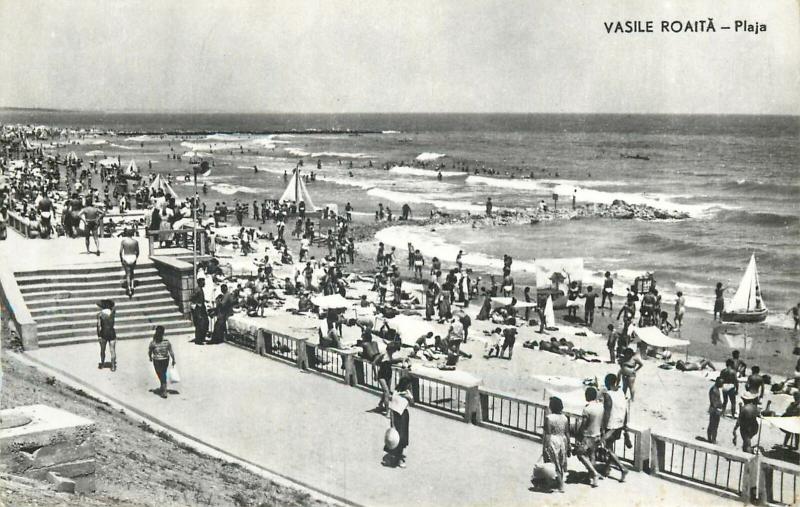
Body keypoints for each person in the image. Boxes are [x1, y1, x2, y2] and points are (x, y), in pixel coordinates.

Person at [600, 374, 629, 482]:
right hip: (620, 424)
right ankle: (607, 469)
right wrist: (625, 424)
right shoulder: (621, 392)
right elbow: (626, 409)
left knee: (607, 448)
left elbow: (607, 413)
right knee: (610, 447)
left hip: (611, 425)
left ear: (608, 383)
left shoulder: (608, 395)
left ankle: (622, 468)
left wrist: (603, 428)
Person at [384, 373, 414, 468]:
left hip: (404, 416)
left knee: (403, 438)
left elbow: (413, 403)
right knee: (395, 437)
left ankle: (399, 457)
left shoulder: (408, 393)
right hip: (396, 416)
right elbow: (392, 409)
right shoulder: (396, 393)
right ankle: (396, 457)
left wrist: (408, 397)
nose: (409, 386)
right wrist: (392, 423)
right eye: (408, 384)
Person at [541, 396, 569, 493]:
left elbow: (548, 433)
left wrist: (545, 446)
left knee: (551, 461)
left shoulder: (549, 418)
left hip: (553, 440)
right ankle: (559, 483)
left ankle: (559, 484)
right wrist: (568, 445)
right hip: (562, 440)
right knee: (560, 462)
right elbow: (567, 433)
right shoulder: (565, 418)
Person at [576, 387, 603, 488]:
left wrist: (579, 434)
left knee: (580, 454)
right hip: (597, 434)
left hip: (588, 436)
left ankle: (593, 473)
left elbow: (583, 424)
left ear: (586, 396)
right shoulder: (600, 406)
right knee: (592, 455)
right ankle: (591, 476)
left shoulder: (587, 409)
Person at [147, 325, 176, 399]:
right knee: (163, 373)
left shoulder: (153, 342)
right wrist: (173, 359)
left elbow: (150, 351)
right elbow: (171, 351)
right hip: (165, 359)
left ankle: (164, 390)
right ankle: (162, 386)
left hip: (156, 360)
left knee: (159, 373)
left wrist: (150, 357)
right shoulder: (166, 341)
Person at [96, 299, 117, 371]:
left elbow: (99, 326)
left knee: (102, 350)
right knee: (112, 350)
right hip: (112, 332)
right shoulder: (113, 313)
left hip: (103, 333)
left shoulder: (100, 314)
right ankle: (113, 366)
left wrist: (98, 335)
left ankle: (102, 363)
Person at [119, 229, 139, 297]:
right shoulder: (135, 242)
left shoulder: (124, 241)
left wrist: (121, 259)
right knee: (132, 272)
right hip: (133, 256)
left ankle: (129, 288)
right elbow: (138, 251)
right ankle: (133, 286)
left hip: (126, 257)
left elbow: (120, 252)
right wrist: (136, 257)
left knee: (127, 274)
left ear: (126, 234)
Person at [191, 277, 209, 345]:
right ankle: (198, 340)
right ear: (200, 282)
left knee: (205, 322)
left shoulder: (200, 289)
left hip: (202, 308)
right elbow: (192, 297)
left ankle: (201, 338)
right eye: (203, 282)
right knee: (199, 324)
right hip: (199, 309)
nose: (204, 283)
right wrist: (197, 304)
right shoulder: (197, 289)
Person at [707, 377, 725, 444]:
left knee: (712, 424)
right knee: (714, 425)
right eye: (721, 383)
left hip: (715, 409)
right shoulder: (714, 390)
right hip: (715, 410)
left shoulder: (715, 388)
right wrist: (718, 409)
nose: (722, 384)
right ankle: (712, 440)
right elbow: (713, 401)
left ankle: (710, 439)